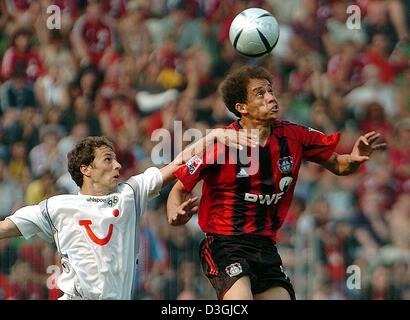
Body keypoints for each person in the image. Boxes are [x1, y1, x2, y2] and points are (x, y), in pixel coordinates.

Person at [166, 65, 387, 300]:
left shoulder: (294, 136)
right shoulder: (222, 144)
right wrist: (174, 214)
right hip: (225, 244)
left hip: (265, 247)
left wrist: (353, 159)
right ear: (242, 108)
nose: (271, 98)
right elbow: (179, 187)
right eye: (260, 93)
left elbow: (340, 165)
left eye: (270, 91)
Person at [0, 130, 255, 300]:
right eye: (108, 160)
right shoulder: (57, 206)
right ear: (86, 169)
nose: (118, 165)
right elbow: (5, 228)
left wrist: (213, 136)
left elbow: (178, 164)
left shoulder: (130, 193)